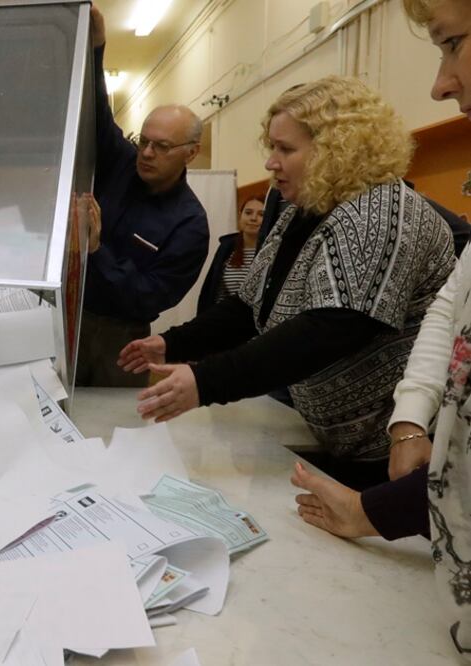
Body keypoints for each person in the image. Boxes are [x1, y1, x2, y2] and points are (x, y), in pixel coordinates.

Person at [119, 75, 454, 487]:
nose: (270, 162)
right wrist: (173, 343)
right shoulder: (305, 210)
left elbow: (330, 329)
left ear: (336, 151)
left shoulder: (380, 211)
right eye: (272, 147)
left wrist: (207, 381)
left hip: (398, 454)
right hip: (337, 440)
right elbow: (248, 305)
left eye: (285, 149)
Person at [291, 0, 471, 657]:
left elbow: (331, 325)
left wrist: (373, 512)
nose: (438, 83)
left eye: (450, 45)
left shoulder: (379, 214)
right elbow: (452, 310)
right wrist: (411, 418)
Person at [76, 6, 209, 388]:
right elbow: (99, 113)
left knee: (115, 428)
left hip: (121, 340)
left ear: (191, 152)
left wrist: (98, 250)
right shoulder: (123, 164)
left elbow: (147, 299)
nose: (147, 153)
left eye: (162, 146)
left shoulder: (190, 224)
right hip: (72, 317)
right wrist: (97, 46)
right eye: (144, 141)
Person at [196, 196, 264, 313]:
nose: (253, 218)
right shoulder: (226, 247)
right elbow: (211, 290)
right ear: (240, 215)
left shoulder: (272, 250)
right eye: (248, 213)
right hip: (222, 320)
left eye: (261, 214)